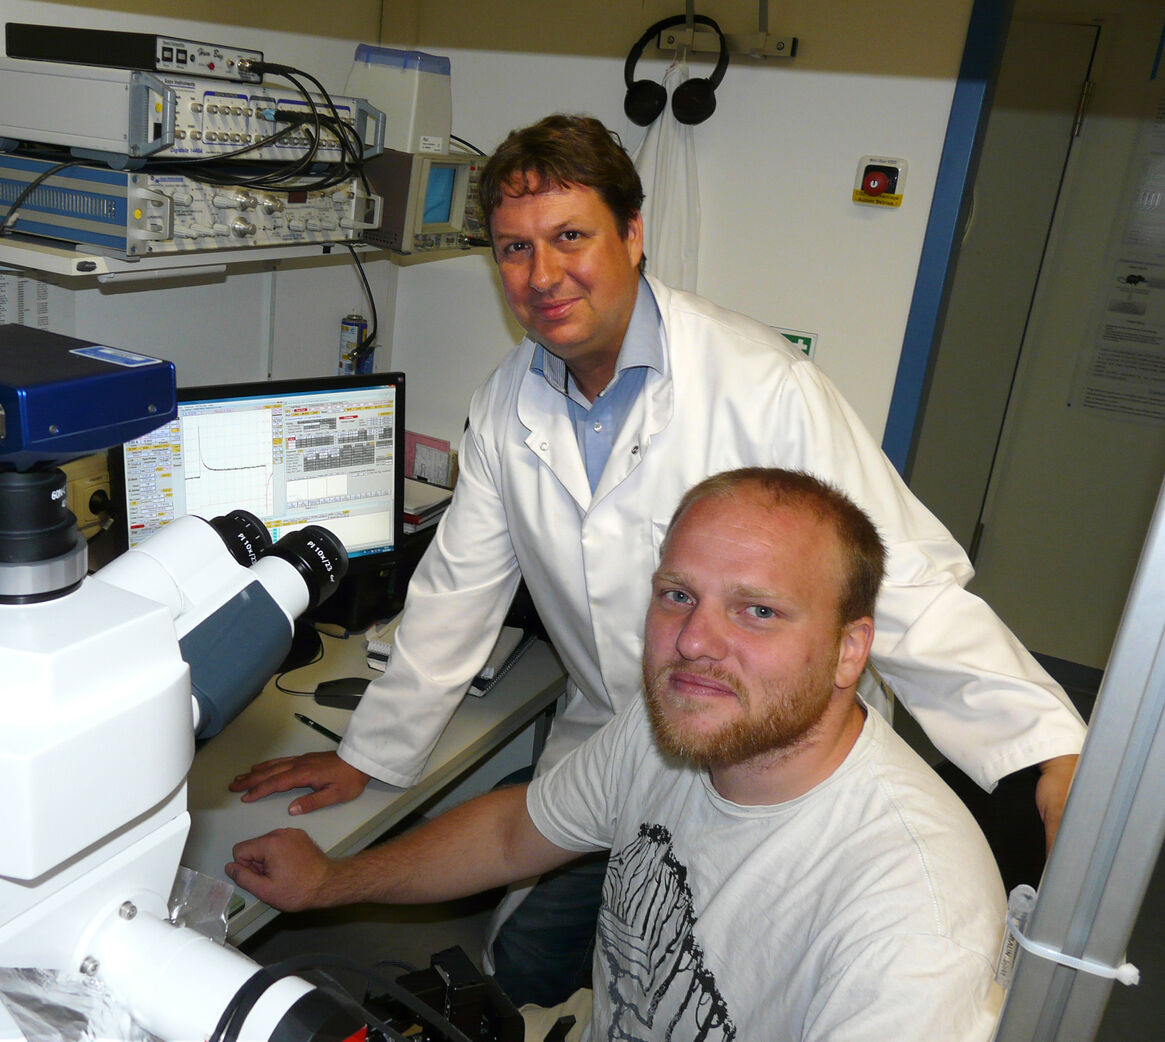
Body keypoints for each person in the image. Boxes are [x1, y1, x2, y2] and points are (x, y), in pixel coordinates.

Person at [230, 114, 1083, 1006]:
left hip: (768, 754)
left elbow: (901, 584)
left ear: (633, 236)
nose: (542, 275)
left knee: (728, 982)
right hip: (617, 744)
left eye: (570, 238)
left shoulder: (760, 388)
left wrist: (1042, 747)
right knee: (534, 962)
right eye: (513, 249)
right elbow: (455, 593)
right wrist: (369, 755)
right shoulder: (508, 402)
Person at [228, 469, 1008, 1041]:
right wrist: (332, 881)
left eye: (758, 611)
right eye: (676, 595)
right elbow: (512, 835)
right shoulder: (671, 730)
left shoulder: (915, 919)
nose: (695, 643)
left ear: (848, 653)